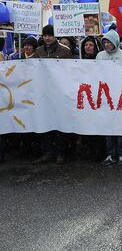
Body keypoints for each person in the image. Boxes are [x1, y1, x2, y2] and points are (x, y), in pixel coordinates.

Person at [32, 25, 73, 165]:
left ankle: (60, 152)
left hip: (59, 92)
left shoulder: (64, 51)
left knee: (59, 124)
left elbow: (70, 72)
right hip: (44, 93)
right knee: (45, 122)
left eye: (50, 35)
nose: (47, 38)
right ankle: (47, 152)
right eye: (45, 35)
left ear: (54, 36)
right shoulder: (38, 51)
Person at [96, 29, 122, 165]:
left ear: (115, 42)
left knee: (121, 127)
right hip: (106, 96)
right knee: (108, 127)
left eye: (109, 42)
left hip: (121, 96)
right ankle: (110, 154)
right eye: (104, 42)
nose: (106, 44)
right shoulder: (100, 56)